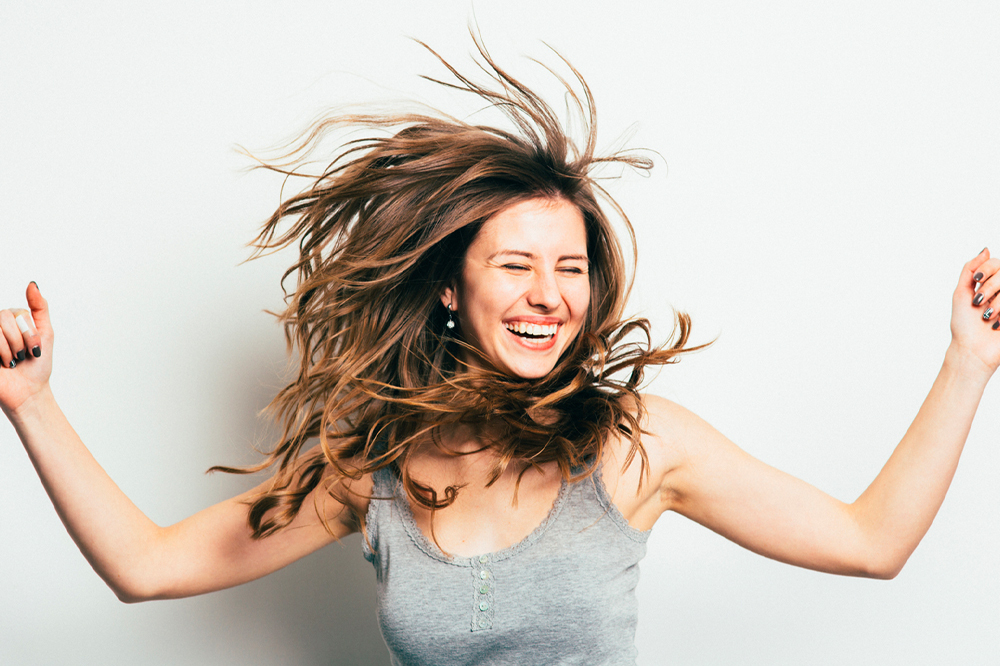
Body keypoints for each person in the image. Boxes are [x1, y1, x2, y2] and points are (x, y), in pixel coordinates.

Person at [1, 39, 998, 666]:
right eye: (515, 265)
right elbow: (148, 567)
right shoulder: (372, 470)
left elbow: (871, 543)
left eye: (569, 268)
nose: (547, 295)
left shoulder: (638, 446)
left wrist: (967, 361)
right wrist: (32, 403)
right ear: (451, 286)